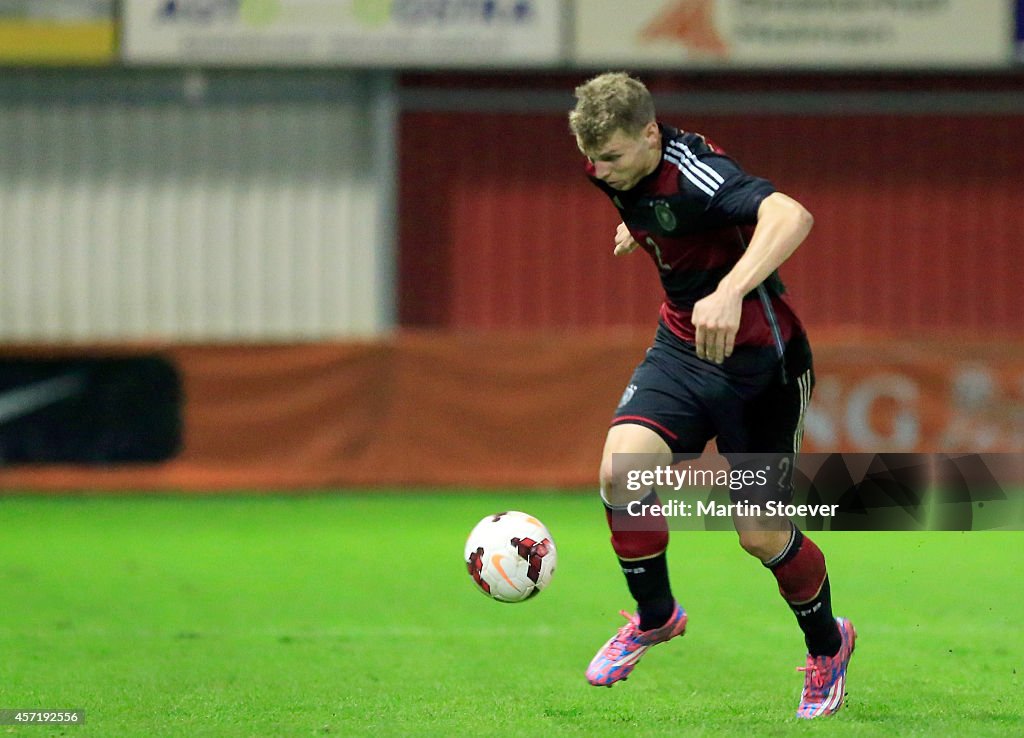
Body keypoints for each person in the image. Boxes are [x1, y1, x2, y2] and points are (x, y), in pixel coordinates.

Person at [568, 72, 855, 719]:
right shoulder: (612, 171)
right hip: (682, 346)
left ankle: (827, 645)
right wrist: (641, 231)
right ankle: (657, 615)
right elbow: (664, 217)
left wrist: (730, 290)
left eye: (612, 156)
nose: (601, 170)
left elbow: (791, 214)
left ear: (649, 134)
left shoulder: (697, 170)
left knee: (758, 535)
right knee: (621, 470)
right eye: (592, 159)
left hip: (762, 364)